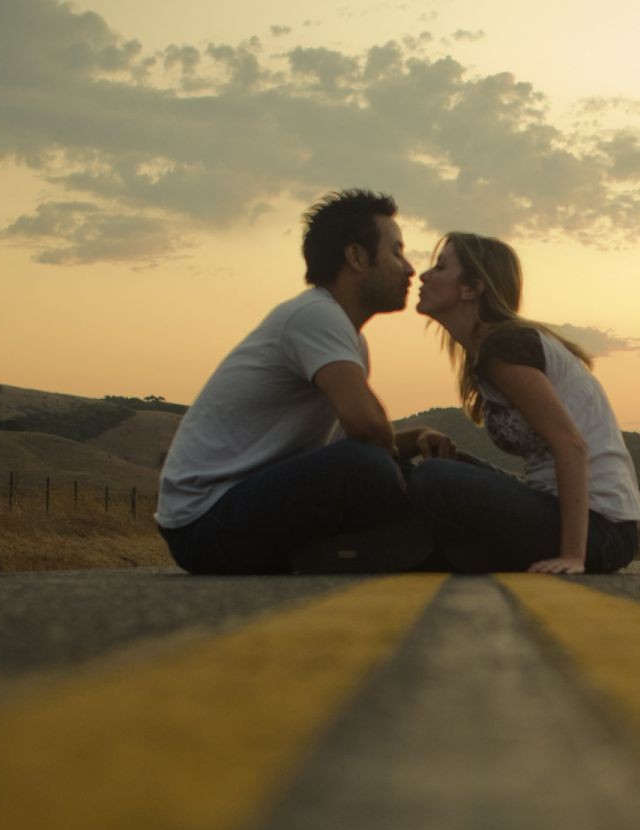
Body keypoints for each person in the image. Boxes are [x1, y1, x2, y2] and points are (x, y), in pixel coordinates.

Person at [155, 189, 458, 574]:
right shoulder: (315, 316)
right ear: (356, 257)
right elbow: (366, 428)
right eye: (396, 252)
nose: (410, 268)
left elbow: (342, 446)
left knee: (379, 464)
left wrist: (412, 440)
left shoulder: (344, 335)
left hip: (234, 508)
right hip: (204, 525)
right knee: (368, 467)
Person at [408, 233, 640, 574]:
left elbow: (571, 443)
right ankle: (456, 553)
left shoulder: (504, 346)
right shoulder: (490, 350)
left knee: (433, 478)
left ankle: (452, 553)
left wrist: (572, 557)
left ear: (471, 288)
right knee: (443, 466)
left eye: (441, 267)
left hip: (602, 531)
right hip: (571, 516)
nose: (425, 275)